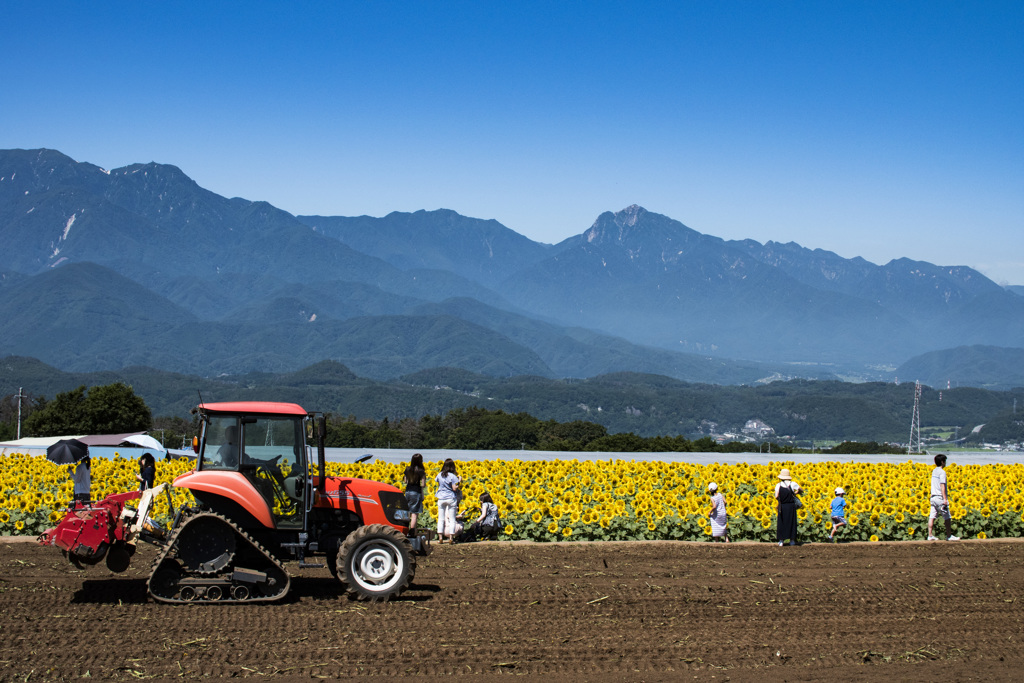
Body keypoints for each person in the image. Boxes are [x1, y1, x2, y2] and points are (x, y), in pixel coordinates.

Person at [927, 453, 960, 541]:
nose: (945, 463)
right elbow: (942, 486)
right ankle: (949, 536)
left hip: (933, 497)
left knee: (932, 516)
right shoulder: (942, 472)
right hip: (939, 498)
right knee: (947, 517)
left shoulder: (934, 471)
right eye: (945, 461)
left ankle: (930, 535)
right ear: (942, 462)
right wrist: (945, 499)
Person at [435, 458, 461, 543]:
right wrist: (459, 481)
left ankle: (440, 537)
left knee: (441, 518)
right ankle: (451, 538)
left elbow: (438, 483)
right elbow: (454, 488)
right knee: (452, 519)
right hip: (450, 498)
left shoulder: (439, 475)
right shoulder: (453, 476)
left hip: (441, 498)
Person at [774, 468, 799, 546]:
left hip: (783, 506)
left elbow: (776, 496)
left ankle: (781, 541)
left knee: (782, 522)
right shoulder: (793, 484)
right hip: (791, 506)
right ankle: (792, 541)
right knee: (791, 522)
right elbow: (800, 489)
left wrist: (780, 499)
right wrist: (795, 493)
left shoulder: (778, 485)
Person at [403, 453, 427, 532]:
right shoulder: (421, 471)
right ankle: (412, 532)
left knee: (407, 512)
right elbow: (423, 485)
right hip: (416, 492)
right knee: (414, 514)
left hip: (408, 491)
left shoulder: (407, 469)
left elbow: (405, 481)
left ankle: (405, 530)